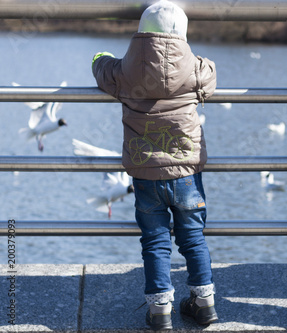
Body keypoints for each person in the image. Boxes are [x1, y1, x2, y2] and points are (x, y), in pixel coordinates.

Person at [91, 0, 217, 330]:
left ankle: (160, 311)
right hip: (187, 173)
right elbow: (211, 75)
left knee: (155, 241)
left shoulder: (124, 70)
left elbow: (102, 69)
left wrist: (98, 58)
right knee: (193, 239)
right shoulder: (193, 68)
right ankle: (205, 305)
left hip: (146, 174)